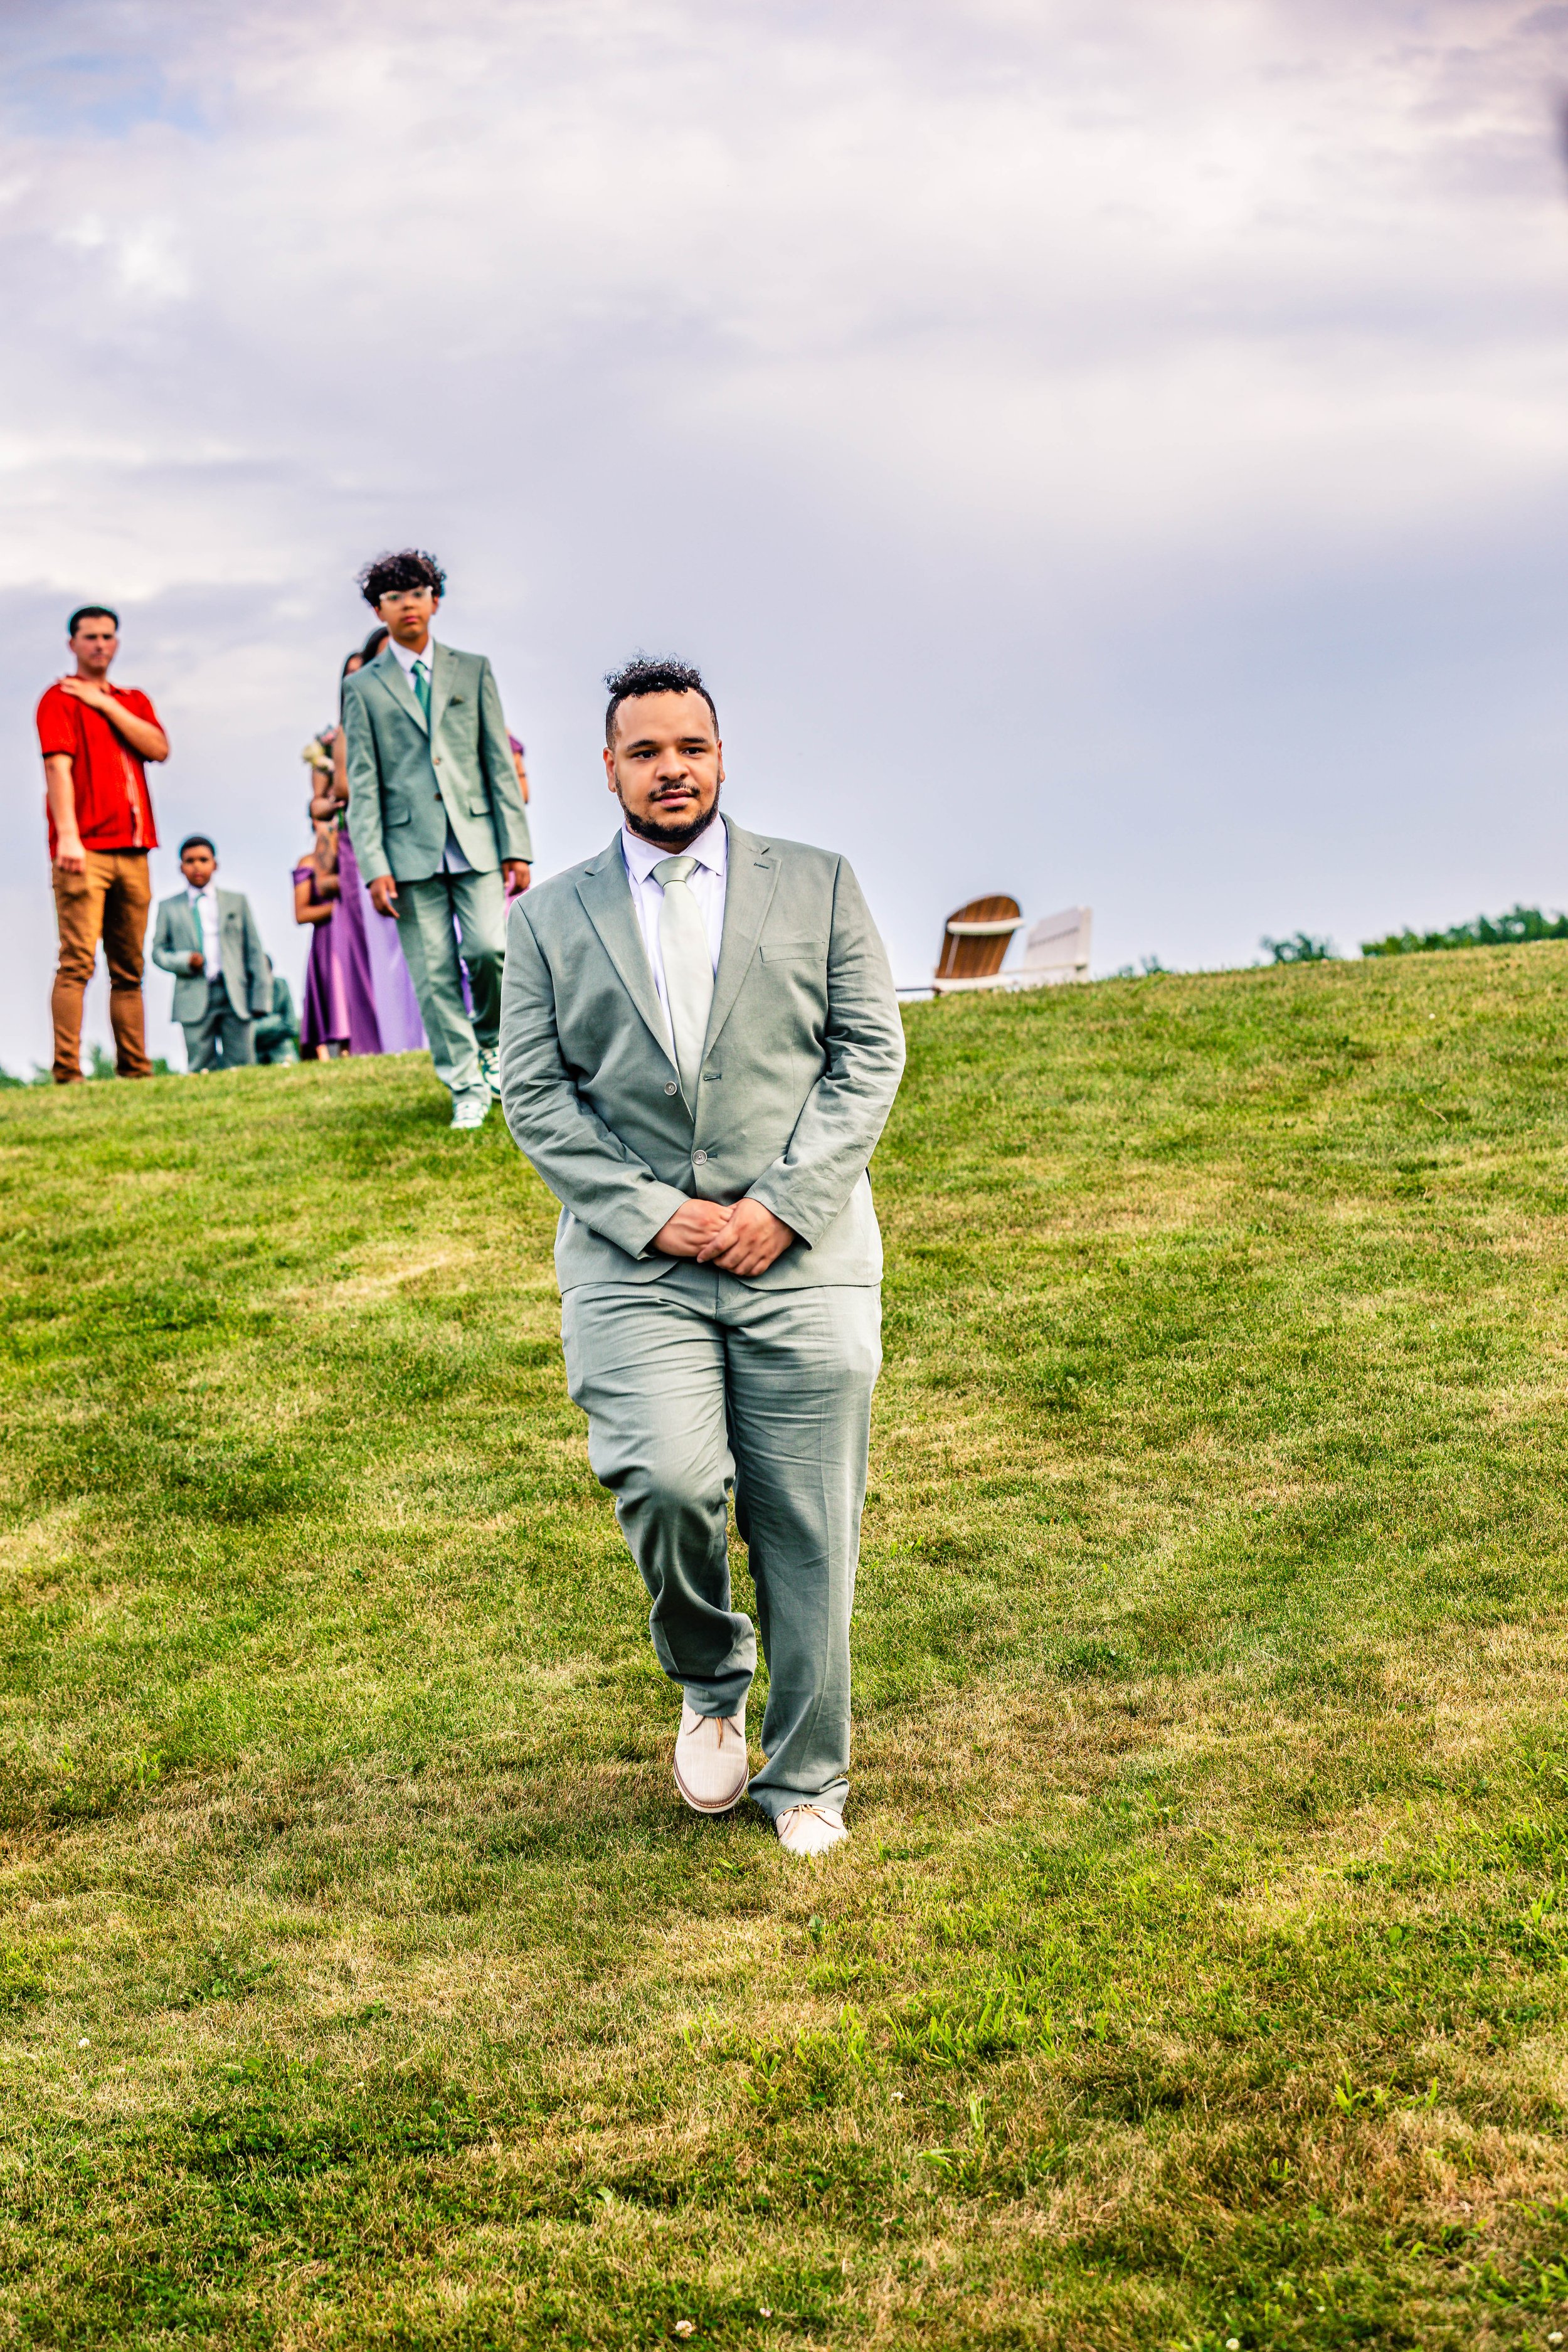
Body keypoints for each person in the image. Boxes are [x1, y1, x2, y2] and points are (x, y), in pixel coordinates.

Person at [499, 656, 906, 1858]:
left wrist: (782, 1204)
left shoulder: (819, 885)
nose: (672, 770)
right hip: (638, 1269)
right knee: (668, 1485)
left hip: (805, 1249)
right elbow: (534, 1088)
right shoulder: (547, 917)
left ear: (720, 757)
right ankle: (711, 1679)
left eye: (692, 748)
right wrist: (650, 1212)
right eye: (646, 751)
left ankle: (807, 1778)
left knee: (807, 1520)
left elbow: (867, 1056)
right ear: (609, 767)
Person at [343, 550, 531, 1128]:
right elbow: (364, 782)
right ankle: (465, 1086)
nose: (408, 606)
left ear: (436, 600)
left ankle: (491, 1046)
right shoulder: (363, 688)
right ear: (380, 608)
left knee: (489, 950)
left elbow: (498, 761)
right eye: (395, 597)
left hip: (474, 838)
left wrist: (516, 844)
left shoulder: (473, 670)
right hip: (405, 853)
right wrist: (373, 864)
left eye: (418, 593)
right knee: (434, 972)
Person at [36, 604, 170, 1084]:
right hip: (84, 850)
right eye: (89, 636)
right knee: (76, 962)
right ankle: (67, 1073)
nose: (99, 644)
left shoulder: (132, 700)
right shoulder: (58, 699)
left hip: (135, 851)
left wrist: (106, 704)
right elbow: (58, 768)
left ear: (117, 643)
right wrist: (68, 836)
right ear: (72, 643)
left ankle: (136, 1069)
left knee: (129, 966)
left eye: (107, 636)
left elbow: (158, 748)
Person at [151, 835, 272, 1071]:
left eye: (203, 860)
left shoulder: (237, 902)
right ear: (181, 867)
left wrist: (260, 997)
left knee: (242, 1065)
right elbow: (158, 952)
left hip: (235, 994)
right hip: (193, 995)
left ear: (215, 864)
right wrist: (185, 961)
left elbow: (254, 951)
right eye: (190, 861)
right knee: (200, 1067)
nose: (197, 866)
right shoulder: (168, 907)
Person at [252, 971, 300, 1064]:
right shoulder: (241, 991)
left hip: (284, 1056)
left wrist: (258, 1031)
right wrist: (276, 1020)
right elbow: (245, 1032)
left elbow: (292, 1027)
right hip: (255, 1059)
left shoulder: (281, 985)